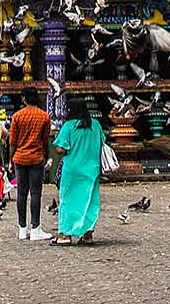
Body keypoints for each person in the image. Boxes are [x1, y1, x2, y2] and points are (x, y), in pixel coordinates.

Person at [50, 96, 109, 246]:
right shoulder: (95, 125)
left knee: (68, 201)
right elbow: (102, 142)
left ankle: (65, 235)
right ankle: (87, 233)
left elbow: (60, 148)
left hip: (72, 170)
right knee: (90, 201)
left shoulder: (69, 126)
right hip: (92, 170)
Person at [7, 89, 53, 242]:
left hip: (20, 158)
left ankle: (22, 228)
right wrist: (46, 156)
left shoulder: (17, 116)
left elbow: (12, 142)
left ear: (24, 99)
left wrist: (10, 161)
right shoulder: (44, 116)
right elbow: (45, 140)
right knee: (35, 193)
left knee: (21, 193)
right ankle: (35, 228)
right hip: (36, 158)